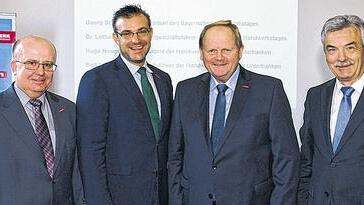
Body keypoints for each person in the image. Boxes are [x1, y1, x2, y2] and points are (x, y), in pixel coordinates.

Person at [168, 20, 300, 205]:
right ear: (201, 53)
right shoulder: (185, 90)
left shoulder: (269, 90)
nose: (218, 57)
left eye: (226, 50)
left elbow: (286, 158)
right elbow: (175, 155)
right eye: (211, 50)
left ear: (240, 51)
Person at [76, 4, 173, 205]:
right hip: (119, 196)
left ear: (151, 33)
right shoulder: (97, 79)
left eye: (142, 31)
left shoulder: (163, 79)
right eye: (127, 33)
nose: (136, 40)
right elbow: (90, 150)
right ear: (116, 38)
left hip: (161, 194)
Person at [0, 35, 83, 204]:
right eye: (32, 63)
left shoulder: (69, 110)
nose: (40, 72)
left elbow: (75, 172)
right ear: (14, 67)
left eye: (47, 65)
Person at [298, 15, 364, 205]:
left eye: (350, 48)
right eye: (332, 50)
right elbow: (307, 160)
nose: (341, 58)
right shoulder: (315, 96)